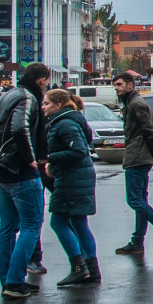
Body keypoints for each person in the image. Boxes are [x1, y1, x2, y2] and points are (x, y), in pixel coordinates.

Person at [0, 62, 51, 297]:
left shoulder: (6, 95)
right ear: (42, 80)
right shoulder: (27, 98)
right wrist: (29, 159)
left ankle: (7, 279)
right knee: (31, 224)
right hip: (18, 171)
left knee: (7, 227)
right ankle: (15, 281)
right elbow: (19, 127)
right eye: (46, 82)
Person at [111, 71, 153, 256]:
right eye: (115, 85)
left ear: (130, 86)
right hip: (140, 154)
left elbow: (149, 130)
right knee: (140, 200)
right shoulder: (131, 103)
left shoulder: (136, 104)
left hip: (138, 156)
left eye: (119, 85)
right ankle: (137, 241)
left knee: (134, 199)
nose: (117, 88)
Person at [42, 88, 99, 287]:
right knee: (79, 223)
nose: (43, 107)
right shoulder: (71, 119)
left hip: (72, 179)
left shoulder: (64, 122)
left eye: (47, 103)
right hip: (79, 176)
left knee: (58, 222)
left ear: (58, 105)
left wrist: (49, 159)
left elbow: (78, 150)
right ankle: (92, 269)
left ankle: (78, 267)